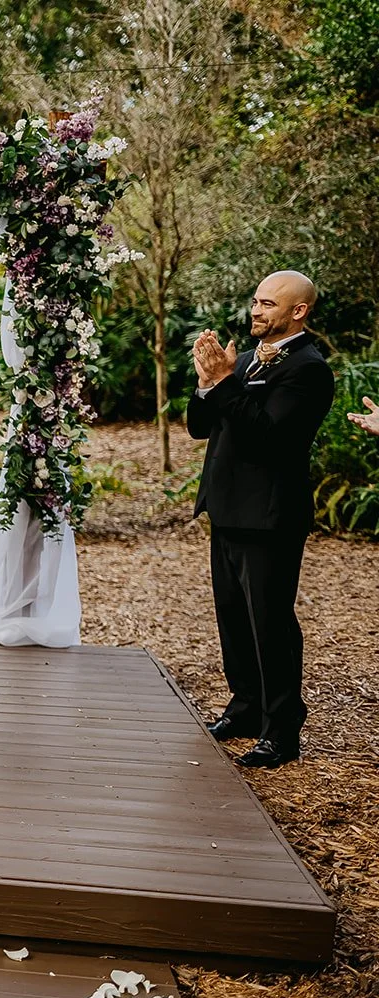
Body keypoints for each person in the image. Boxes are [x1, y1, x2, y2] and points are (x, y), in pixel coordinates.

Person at [189, 270, 335, 769]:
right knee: (233, 619)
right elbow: (198, 427)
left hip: (270, 518)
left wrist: (226, 383)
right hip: (227, 509)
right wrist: (207, 383)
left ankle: (282, 728)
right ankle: (246, 708)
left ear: (298, 311)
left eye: (268, 304)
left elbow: (269, 438)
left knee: (270, 624)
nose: (256, 310)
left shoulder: (308, 369)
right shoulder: (246, 360)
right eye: (255, 301)